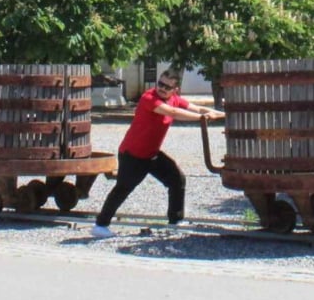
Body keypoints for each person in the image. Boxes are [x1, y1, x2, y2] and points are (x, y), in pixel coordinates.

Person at [90, 69, 225, 238]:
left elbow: (197, 108)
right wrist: (202, 119)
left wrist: (225, 115)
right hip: (133, 155)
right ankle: (100, 225)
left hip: (152, 154)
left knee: (177, 179)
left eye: (167, 86)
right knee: (123, 189)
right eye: (160, 84)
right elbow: (173, 113)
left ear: (175, 89)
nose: (162, 88)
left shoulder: (175, 99)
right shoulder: (149, 98)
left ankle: (176, 221)